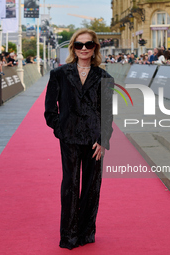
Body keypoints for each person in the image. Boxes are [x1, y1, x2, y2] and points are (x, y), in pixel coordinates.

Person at [44, 28, 114, 250]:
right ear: (73, 48)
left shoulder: (105, 77)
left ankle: (86, 232)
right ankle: (69, 236)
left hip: (95, 139)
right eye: (79, 45)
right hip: (70, 138)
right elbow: (49, 111)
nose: (83, 49)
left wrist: (103, 139)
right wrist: (61, 129)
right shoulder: (59, 74)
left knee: (92, 186)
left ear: (95, 48)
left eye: (88, 44)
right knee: (70, 186)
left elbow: (108, 113)